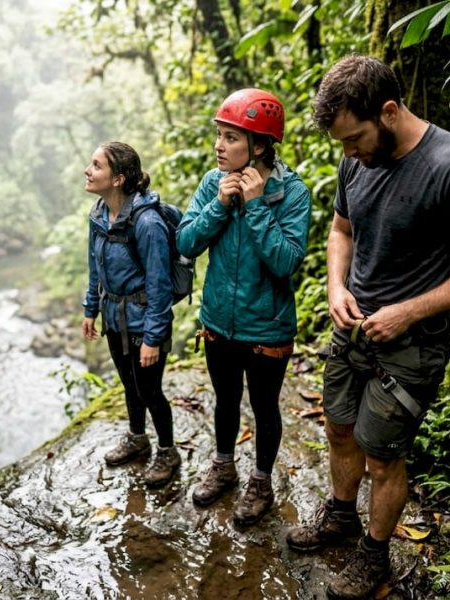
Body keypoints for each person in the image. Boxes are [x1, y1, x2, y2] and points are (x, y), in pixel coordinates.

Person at [285, 55, 450, 600]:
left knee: (383, 455)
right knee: (337, 425)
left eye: (355, 138)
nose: (348, 153)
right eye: (342, 143)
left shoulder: (444, 164)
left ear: (388, 111)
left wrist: (408, 310)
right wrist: (336, 287)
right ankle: (339, 516)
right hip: (352, 327)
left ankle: (375, 557)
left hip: (412, 343)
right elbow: (341, 230)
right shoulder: (356, 159)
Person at [176, 89, 311, 525]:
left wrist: (254, 206)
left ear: (259, 145)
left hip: (267, 326)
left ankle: (260, 480)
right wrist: (220, 205)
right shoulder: (212, 183)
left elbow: (286, 262)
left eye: (230, 138)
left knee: (265, 405)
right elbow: (186, 242)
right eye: (219, 135)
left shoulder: (291, 193)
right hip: (218, 319)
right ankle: (223, 465)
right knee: (225, 398)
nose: (219, 145)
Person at [82, 141, 181, 488]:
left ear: (119, 178)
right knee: (129, 383)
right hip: (113, 316)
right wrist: (90, 309)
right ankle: (138, 438)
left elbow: (159, 285)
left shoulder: (147, 222)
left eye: (96, 165)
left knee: (150, 389)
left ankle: (168, 452)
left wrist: (154, 337)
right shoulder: (98, 215)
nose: (87, 170)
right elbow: (94, 266)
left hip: (144, 320)